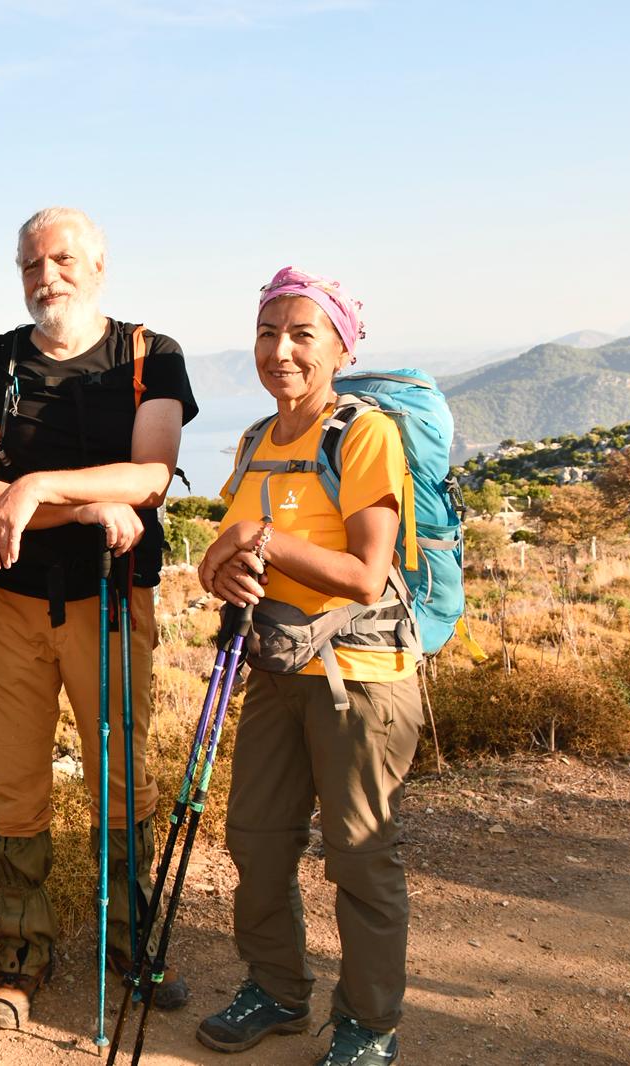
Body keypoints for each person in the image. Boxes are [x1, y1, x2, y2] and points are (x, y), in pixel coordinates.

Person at [0, 207, 199, 1027]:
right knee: (15, 786)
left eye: (62, 259)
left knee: (121, 781)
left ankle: (128, 943)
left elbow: (153, 476)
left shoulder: (149, 356)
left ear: (98, 265)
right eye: (30, 264)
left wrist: (33, 490)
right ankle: (22, 953)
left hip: (112, 599)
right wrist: (87, 505)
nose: (45, 276)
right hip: (12, 603)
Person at [194, 266, 418, 1066]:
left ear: (339, 346)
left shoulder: (361, 433)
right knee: (254, 840)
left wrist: (260, 541)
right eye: (266, 332)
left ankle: (368, 1024)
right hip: (275, 668)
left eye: (301, 334)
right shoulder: (257, 440)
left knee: (359, 855)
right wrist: (220, 567)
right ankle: (278, 991)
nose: (279, 350)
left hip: (361, 677)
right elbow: (223, 551)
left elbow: (364, 572)